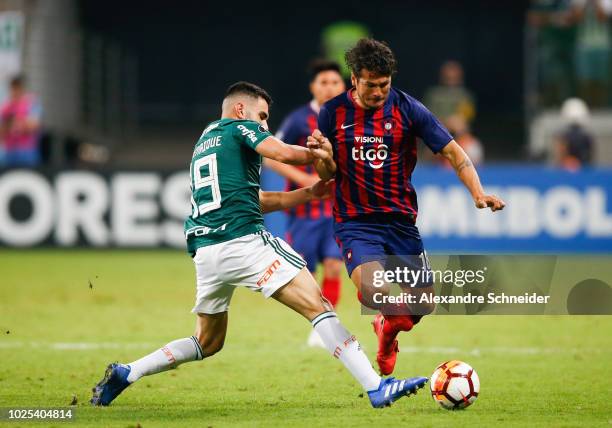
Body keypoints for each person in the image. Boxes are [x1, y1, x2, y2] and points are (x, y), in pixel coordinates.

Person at [91, 81, 428, 409]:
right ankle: (376, 387)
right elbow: (281, 152)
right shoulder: (239, 128)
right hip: (242, 241)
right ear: (241, 109)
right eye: (263, 116)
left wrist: (308, 193)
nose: (266, 124)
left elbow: (257, 199)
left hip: (206, 251)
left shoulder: (206, 140)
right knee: (319, 306)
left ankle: (128, 372)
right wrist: (325, 152)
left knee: (206, 342)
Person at [307, 39, 505, 376]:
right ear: (354, 79)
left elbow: (455, 153)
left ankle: (387, 331)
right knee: (375, 289)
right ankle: (384, 318)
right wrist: (323, 157)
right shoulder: (333, 113)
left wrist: (478, 192)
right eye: (371, 85)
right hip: (356, 222)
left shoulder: (408, 109)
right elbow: (326, 173)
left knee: (423, 304)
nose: (378, 92)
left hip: (400, 223)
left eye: (384, 85)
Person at [265, 59, 346, 348]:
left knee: (335, 266)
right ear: (313, 87)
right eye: (323, 82)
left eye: (335, 82)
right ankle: (318, 320)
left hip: (337, 210)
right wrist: (302, 177)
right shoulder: (299, 119)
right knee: (308, 275)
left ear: (344, 85)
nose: (330, 87)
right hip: (305, 211)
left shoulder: (348, 118)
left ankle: (328, 328)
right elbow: (270, 155)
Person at [0, 75, 42, 167]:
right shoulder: (6, 107)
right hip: (9, 151)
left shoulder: (31, 103)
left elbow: (34, 126)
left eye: (18, 88)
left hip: (27, 151)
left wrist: (17, 122)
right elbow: (2, 132)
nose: (15, 92)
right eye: (13, 89)